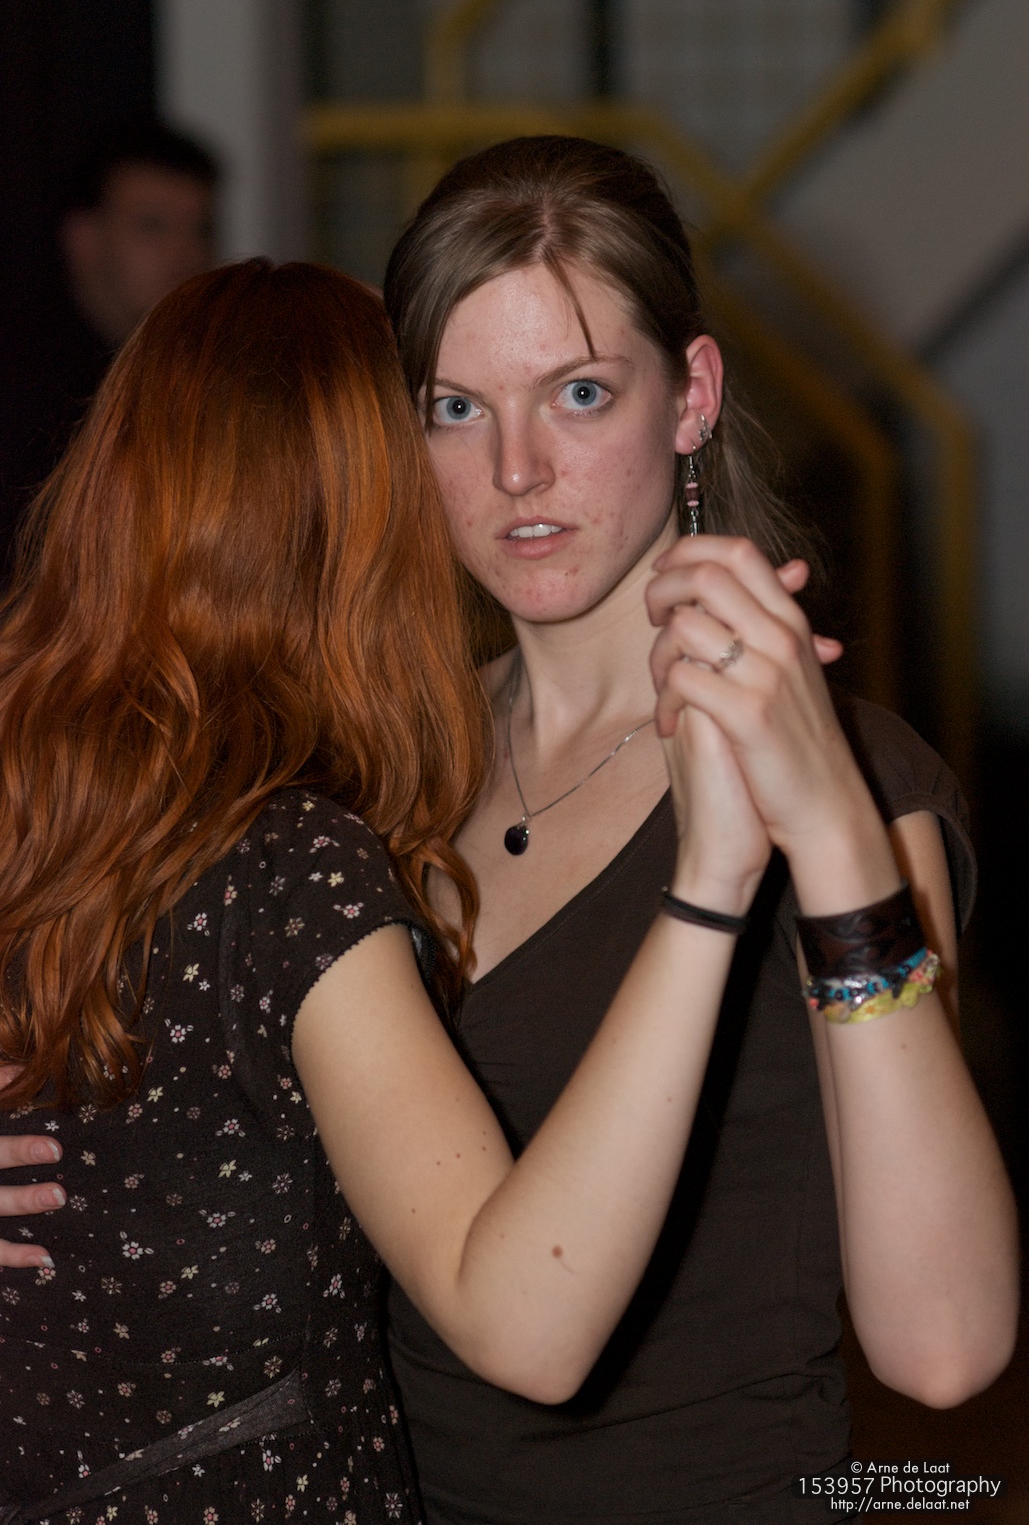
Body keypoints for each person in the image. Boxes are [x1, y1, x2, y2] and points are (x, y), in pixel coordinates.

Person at [0, 258, 854, 1523]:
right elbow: (527, 1323)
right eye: (446, 422)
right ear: (371, 524)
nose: (503, 476)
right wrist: (712, 880)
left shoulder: (37, 794)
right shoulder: (290, 871)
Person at [373, 136, 1018, 1523]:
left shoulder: (857, 782)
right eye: (457, 409)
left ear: (693, 396)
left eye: (580, 393)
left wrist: (830, 836)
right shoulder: (387, 763)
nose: (519, 469)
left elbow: (944, 1346)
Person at [0, 119, 218, 580]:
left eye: (200, 230)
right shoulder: (24, 386)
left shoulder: (197, 377)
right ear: (84, 238)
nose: (185, 252)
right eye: (152, 226)